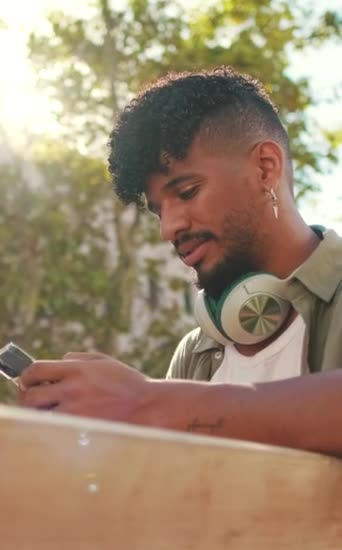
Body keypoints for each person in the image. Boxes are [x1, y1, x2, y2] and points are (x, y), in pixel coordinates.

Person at [19, 66, 342, 455]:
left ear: (265, 168)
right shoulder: (196, 354)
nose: (169, 228)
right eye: (158, 211)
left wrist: (148, 402)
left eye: (187, 192)